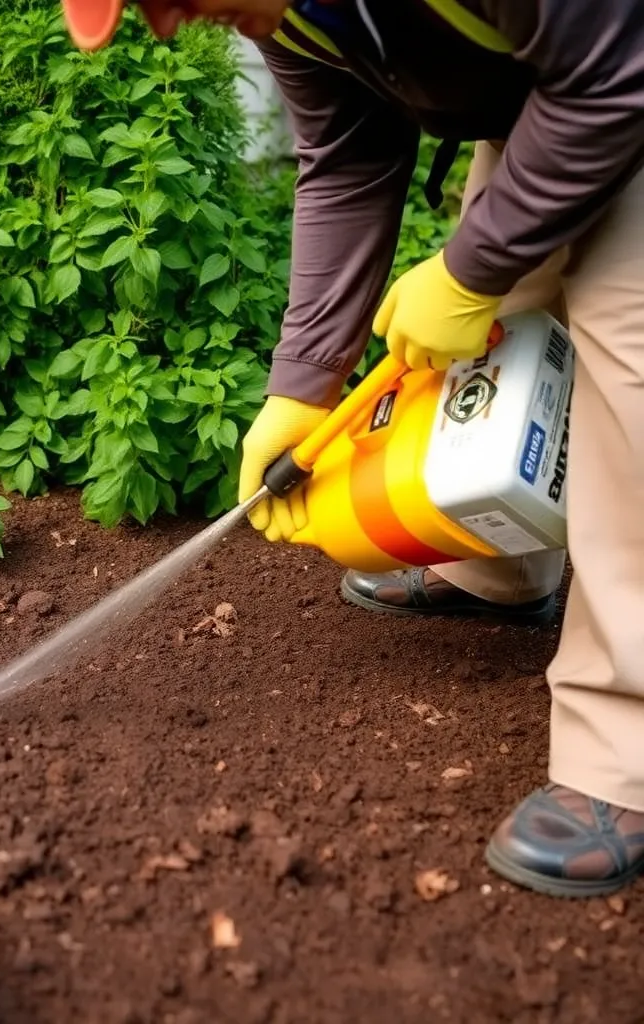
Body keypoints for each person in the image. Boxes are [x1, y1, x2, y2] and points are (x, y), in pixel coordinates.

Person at [60, 0, 644, 898]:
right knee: (512, 311)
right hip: (556, 97)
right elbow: (347, 157)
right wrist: (301, 387)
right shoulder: (285, 19)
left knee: (628, 371)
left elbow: (617, 73)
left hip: (617, 79)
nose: (169, 27)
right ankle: (498, 564)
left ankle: (622, 756)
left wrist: (468, 270)